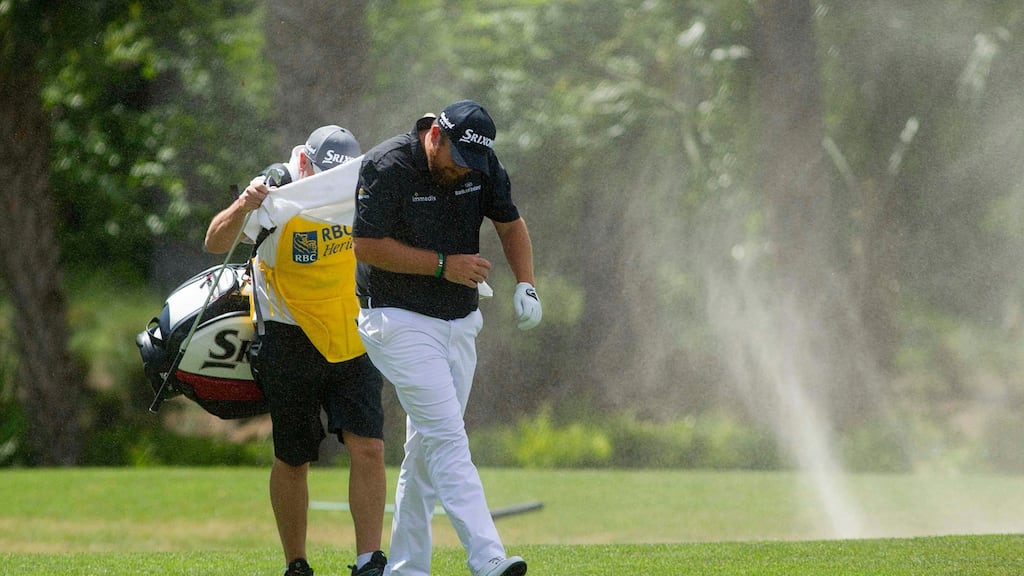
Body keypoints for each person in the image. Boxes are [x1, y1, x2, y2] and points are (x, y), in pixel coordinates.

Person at [352, 100, 542, 576]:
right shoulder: (388, 164)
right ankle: (488, 557)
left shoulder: (480, 165)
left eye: (471, 165)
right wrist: (443, 264)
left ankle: (406, 568)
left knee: (425, 452)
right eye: (457, 159)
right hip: (396, 319)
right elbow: (366, 245)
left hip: (459, 321)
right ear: (435, 136)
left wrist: (526, 283)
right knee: (448, 438)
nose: (464, 172)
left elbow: (509, 223)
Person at [205, 125, 388, 576]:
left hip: (351, 335)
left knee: (369, 448)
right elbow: (214, 241)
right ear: (305, 162)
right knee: (294, 456)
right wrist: (245, 203)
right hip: (288, 338)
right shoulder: (278, 185)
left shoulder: (360, 187)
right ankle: (297, 564)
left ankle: (369, 561)